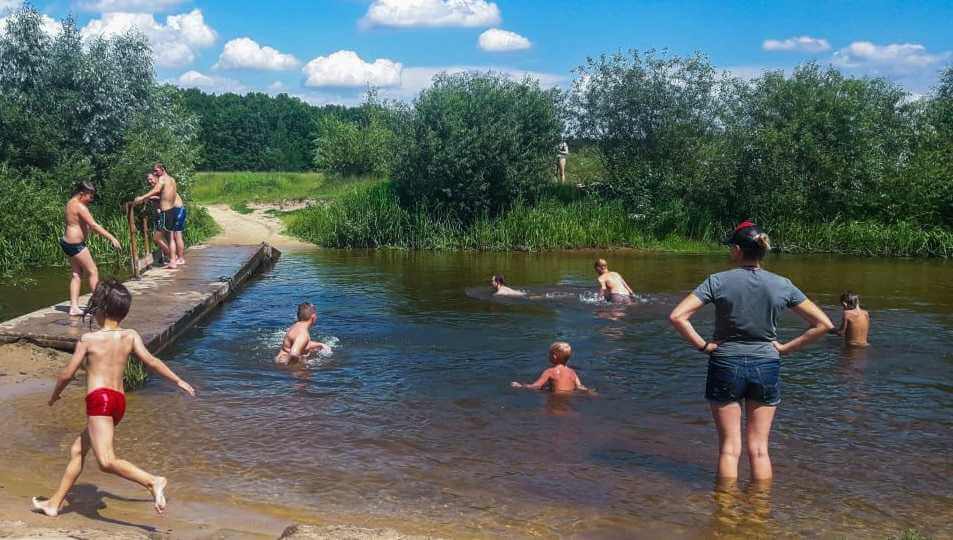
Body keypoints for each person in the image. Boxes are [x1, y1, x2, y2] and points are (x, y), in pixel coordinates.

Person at [668, 220, 833, 481]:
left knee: (729, 449)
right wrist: (785, 348)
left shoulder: (717, 281)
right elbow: (823, 324)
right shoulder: (782, 284)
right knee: (759, 450)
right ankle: (758, 513)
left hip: (725, 363)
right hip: (766, 364)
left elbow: (678, 317)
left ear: (736, 250)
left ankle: (725, 512)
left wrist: (703, 345)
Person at [31, 280, 196, 517]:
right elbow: (152, 361)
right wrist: (178, 381)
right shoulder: (130, 336)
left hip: (100, 400)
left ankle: (152, 481)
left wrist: (55, 395)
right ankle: (54, 504)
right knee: (78, 450)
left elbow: (67, 373)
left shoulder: (89, 340)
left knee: (106, 461)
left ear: (100, 309)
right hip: (118, 402)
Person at [61, 181, 122, 317]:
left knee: (77, 274)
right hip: (75, 245)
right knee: (93, 271)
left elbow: (77, 223)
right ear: (82, 194)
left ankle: (74, 307)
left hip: (67, 242)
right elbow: (94, 225)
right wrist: (111, 237)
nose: (91, 199)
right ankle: (97, 306)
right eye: (90, 196)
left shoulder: (71, 202)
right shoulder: (80, 207)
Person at [132, 163, 181, 269]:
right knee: (171, 238)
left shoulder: (162, 179)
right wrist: (152, 198)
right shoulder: (172, 179)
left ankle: (173, 258)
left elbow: (157, 190)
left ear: (162, 169)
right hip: (172, 210)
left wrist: (141, 198)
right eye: (154, 171)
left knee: (157, 237)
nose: (155, 173)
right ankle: (173, 260)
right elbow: (167, 194)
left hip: (166, 212)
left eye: (156, 171)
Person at [511, 342, 589, 393]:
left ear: (554, 357)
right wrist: (590, 392)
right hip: (569, 397)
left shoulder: (549, 371)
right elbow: (580, 387)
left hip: (556, 398)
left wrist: (521, 386)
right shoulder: (572, 372)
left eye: (549, 354)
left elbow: (536, 386)